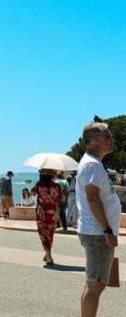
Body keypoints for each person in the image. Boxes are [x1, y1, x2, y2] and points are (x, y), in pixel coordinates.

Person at [76, 122, 120, 317]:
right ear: (94, 140)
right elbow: (92, 198)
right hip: (97, 233)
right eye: (107, 136)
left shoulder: (93, 164)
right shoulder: (92, 165)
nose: (111, 139)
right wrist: (108, 231)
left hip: (96, 231)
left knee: (95, 284)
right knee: (95, 285)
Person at [31, 169, 62, 266]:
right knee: (50, 232)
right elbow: (60, 198)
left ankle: (49, 255)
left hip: (42, 211)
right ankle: (47, 253)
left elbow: (32, 193)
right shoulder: (57, 186)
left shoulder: (38, 185)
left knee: (43, 233)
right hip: (53, 211)